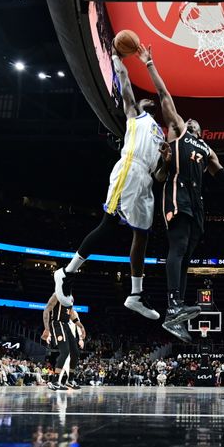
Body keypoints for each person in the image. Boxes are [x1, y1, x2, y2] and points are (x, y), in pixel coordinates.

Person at [140, 44, 224, 342]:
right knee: (177, 248)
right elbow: (165, 97)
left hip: (198, 204)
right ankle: (173, 304)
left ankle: (174, 313)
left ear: (201, 130)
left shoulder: (207, 150)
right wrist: (150, 65)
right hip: (176, 195)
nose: (188, 120)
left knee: (187, 254)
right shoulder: (177, 131)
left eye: (193, 121)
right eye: (186, 119)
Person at [53, 46, 171, 321]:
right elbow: (124, 80)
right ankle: (67, 273)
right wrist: (118, 56)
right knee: (108, 224)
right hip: (129, 169)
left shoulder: (161, 137)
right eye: (145, 101)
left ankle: (136, 295)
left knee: (142, 234)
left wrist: (165, 162)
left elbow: (160, 178)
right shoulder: (135, 115)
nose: (148, 102)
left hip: (144, 182)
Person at [42, 293, 82, 391]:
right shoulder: (57, 294)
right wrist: (47, 329)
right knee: (65, 352)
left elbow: (71, 313)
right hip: (57, 324)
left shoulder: (70, 297)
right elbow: (46, 310)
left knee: (75, 353)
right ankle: (54, 382)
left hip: (66, 325)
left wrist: (81, 326)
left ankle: (70, 380)